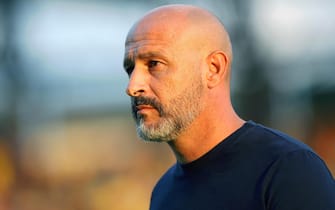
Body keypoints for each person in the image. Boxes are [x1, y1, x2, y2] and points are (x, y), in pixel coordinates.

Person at [123, 4, 335, 210]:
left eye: (154, 64)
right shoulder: (163, 192)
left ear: (213, 69)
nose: (132, 86)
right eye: (130, 69)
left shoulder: (287, 171)